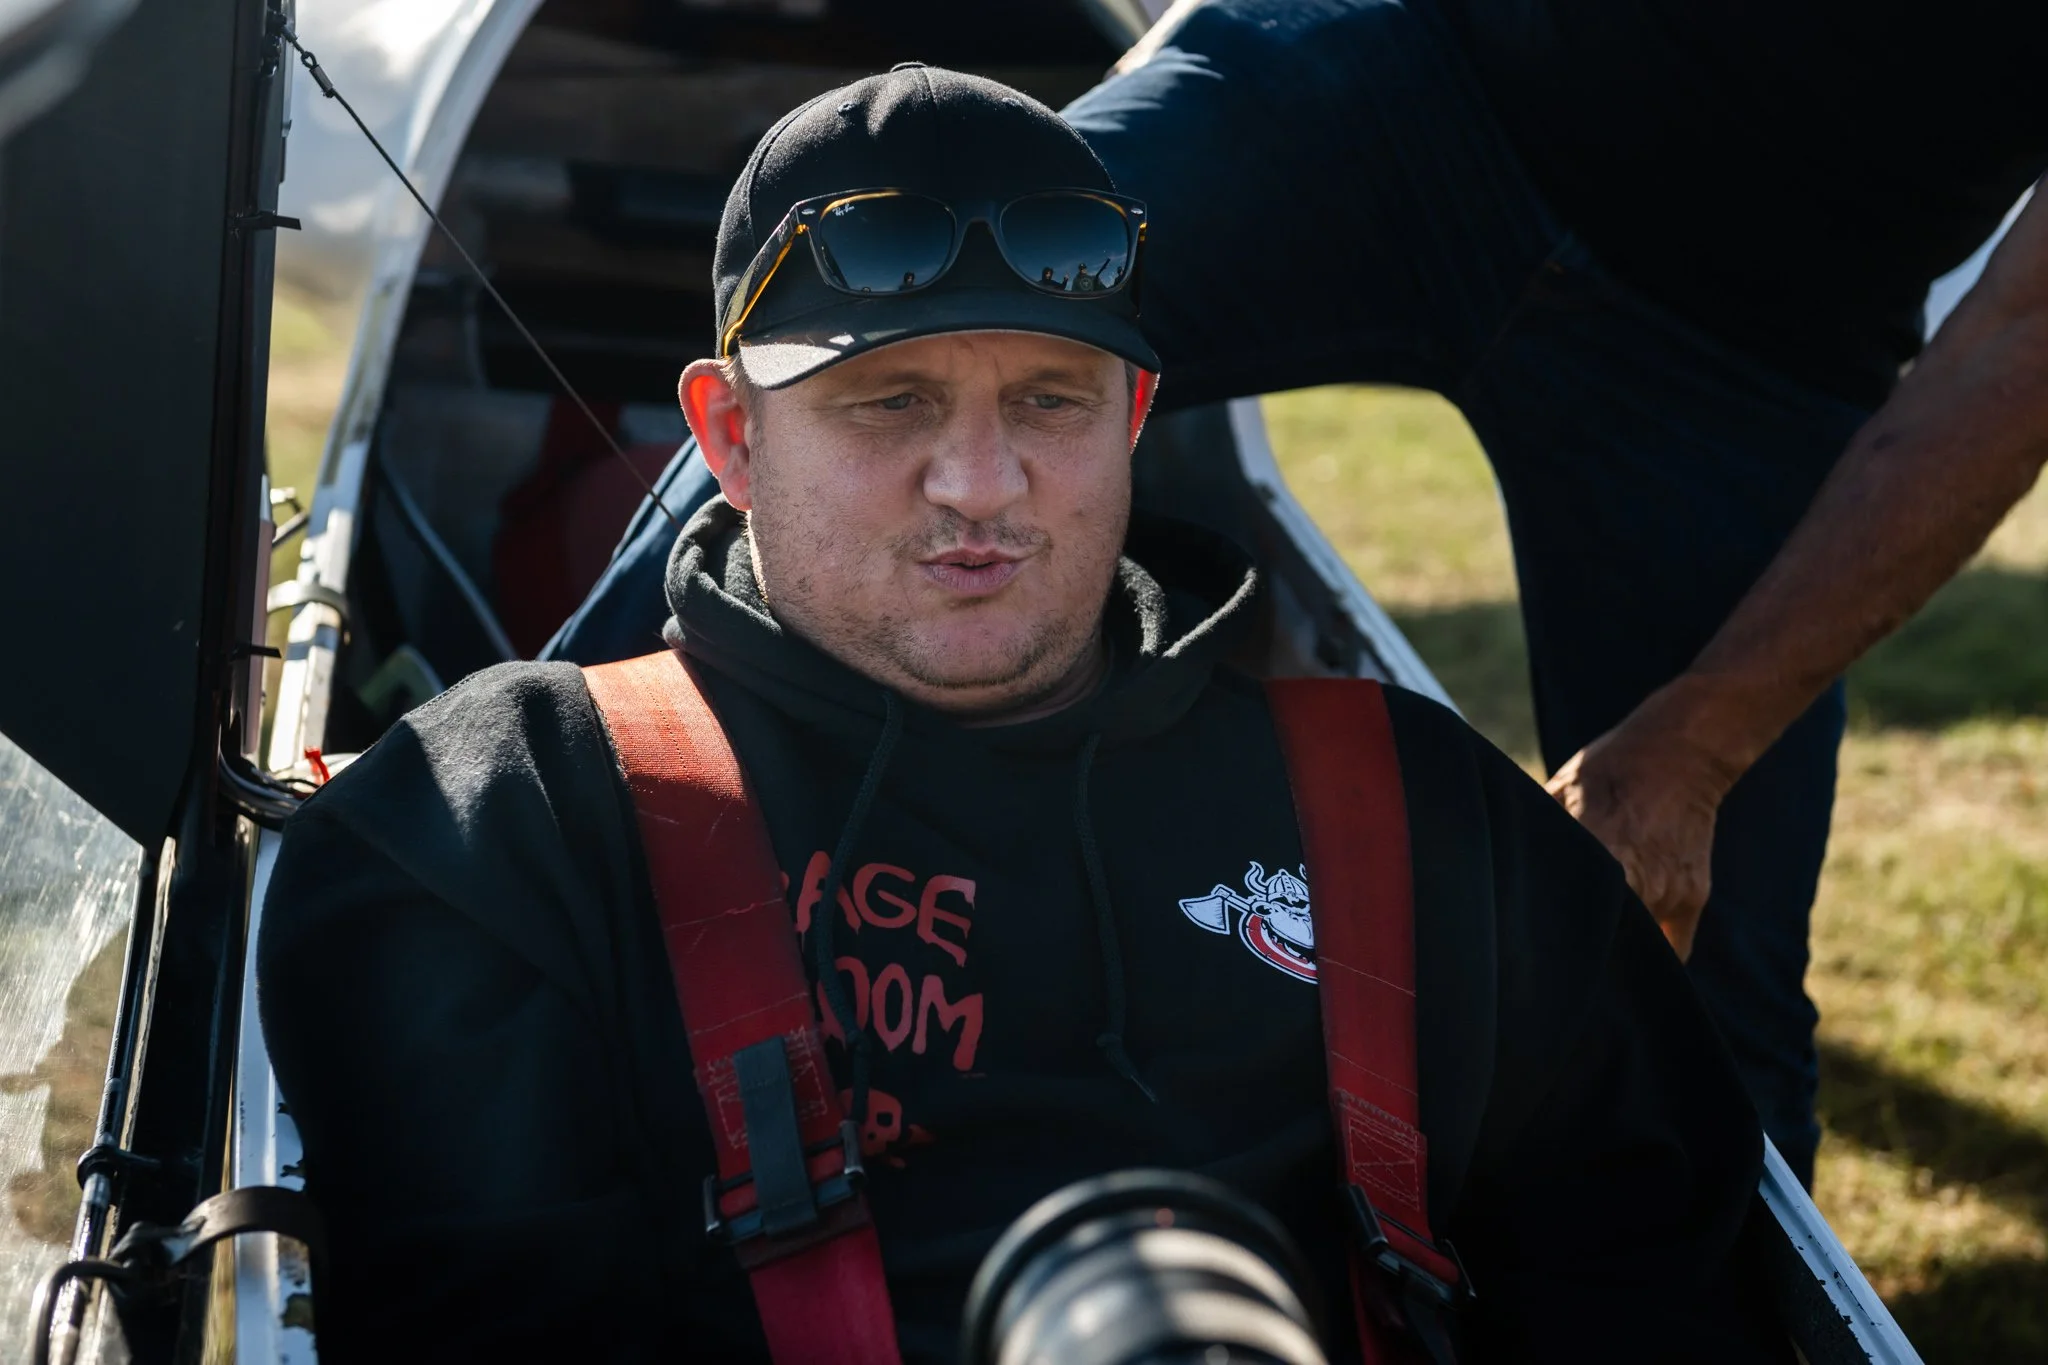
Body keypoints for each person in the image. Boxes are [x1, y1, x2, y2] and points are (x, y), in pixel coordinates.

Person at [259, 67, 1782, 1361]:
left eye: (1051, 399)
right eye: (890, 400)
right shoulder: (510, 830)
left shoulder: (1421, 821)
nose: (981, 486)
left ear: (1133, 416)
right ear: (729, 435)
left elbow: (1657, 1298)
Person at [561, 1, 2048, 1185]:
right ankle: (505, 833)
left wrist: (1701, 743)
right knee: (866, 309)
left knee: (1708, 1024)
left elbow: (2022, 345)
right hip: (1402, 69)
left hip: (1757, 341)